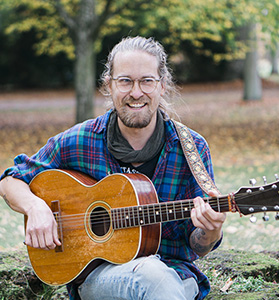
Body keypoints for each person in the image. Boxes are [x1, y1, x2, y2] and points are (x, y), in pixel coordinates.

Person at [0, 36, 226, 300]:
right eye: (125, 81)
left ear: (162, 86)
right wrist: (35, 207)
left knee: (158, 278)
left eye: (147, 81)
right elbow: (10, 180)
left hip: (173, 274)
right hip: (100, 276)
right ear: (109, 85)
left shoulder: (191, 148)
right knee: (150, 276)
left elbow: (198, 244)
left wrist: (211, 230)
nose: (136, 92)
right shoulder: (80, 140)